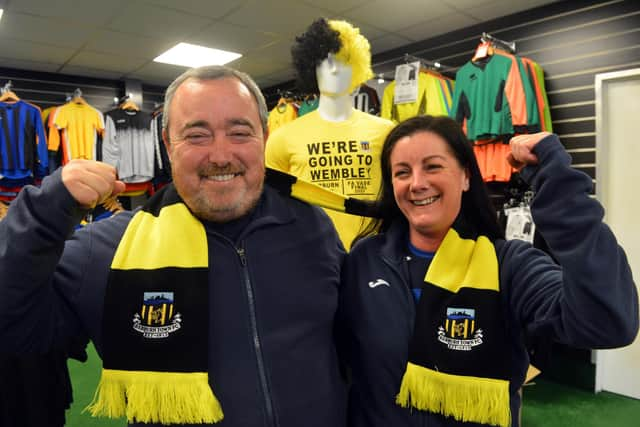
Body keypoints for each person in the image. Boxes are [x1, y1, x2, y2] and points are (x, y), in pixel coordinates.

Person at [0, 65, 347, 426]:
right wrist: (44, 213)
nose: (220, 155)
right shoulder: (109, 248)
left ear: (265, 135)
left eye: (240, 132)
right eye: (197, 135)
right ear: (167, 144)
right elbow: (14, 328)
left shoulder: (312, 226)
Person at [339, 115, 638, 427]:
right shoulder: (366, 260)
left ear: (466, 176)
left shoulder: (508, 266)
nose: (417, 183)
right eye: (402, 172)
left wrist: (558, 186)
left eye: (433, 166)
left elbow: (609, 321)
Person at [266, 18, 394, 250]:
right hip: (309, 256)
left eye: (343, 61)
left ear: (357, 66)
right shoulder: (282, 138)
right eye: (324, 61)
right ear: (311, 68)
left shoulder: (386, 132)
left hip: (373, 256)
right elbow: (272, 207)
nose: (334, 69)